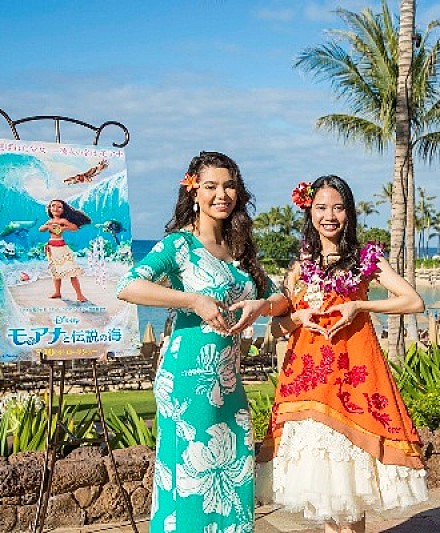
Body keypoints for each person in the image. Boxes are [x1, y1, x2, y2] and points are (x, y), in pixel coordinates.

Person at [116, 151, 288, 532]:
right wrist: (192, 300)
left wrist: (261, 305)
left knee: (233, 476)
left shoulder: (240, 249)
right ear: (194, 192)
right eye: (211, 186)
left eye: (229, 186)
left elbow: (281, 299)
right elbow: (127, 286)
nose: (221, 194)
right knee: (190, 483)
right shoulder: (179, 245)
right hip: (187, 379)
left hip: (228, 382)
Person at [256, 175, 428, 533]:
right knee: (326, 496)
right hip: (308, 386)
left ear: (349, 212)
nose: (329, 216)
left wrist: (359, 306)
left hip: (353, 380)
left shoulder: (365, 260)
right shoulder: (299, 268)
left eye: (338, 207)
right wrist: (298, 318)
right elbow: (276, 329)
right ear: (310, 212)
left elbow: (413, 301)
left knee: (351, 491)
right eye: (321, 208)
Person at [39, 199, 91, 302]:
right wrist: (48, 226)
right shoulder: (50, 221)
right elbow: (40, 229)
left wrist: (64, 228)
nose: (56, 208)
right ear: (49, 208)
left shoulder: (62, 221)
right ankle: (57, 292)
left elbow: (74, 228)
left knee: (71, 272)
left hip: (61, 248)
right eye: (53, 206)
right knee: (55, 272)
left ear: (63, 210)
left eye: (59, 207)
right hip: (51, 248)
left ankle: (79, 295)